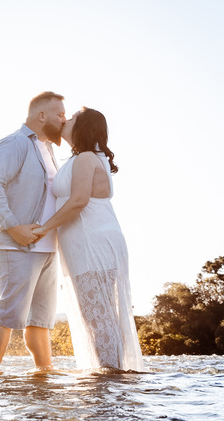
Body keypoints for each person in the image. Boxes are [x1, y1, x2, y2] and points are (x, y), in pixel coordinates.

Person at [34, 108, 146, 371]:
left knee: (98, 316)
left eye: (71, 118)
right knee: (98, 315)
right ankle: (110, 376)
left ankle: (109, 378)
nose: (65, 119)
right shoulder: (86, 157)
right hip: (88, 241)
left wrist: (43, 229)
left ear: (82, 127)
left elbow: (79, 201)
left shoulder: (86, 157)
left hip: (92, 242)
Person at [0, 91, 66, 373]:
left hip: (48, 247)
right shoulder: (14, 144)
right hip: (16, 245)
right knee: (8, 314)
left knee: (40, 321)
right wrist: (13, 227)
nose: (63, 120)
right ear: (41, 115)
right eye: (59, 114)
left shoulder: (49, 149)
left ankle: (45, 375)